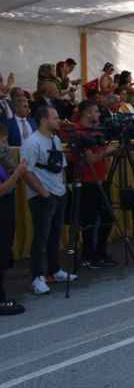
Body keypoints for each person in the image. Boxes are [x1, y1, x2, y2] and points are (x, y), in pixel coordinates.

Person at [22, 106, 76, 295]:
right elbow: (26, 172)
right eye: (55, 117)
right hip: (42, 196)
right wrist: (43, 193)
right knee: (41, 237)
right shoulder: (31, 142)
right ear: (44, 120)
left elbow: (61, 167)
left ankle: (55, 270)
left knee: (55, 235)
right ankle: (37, 277)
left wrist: (63, 188)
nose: (59, 120)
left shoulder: (55, 139)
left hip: (59, 193)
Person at [72, 100, 118, 268]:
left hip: (101, 179)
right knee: (89, 221)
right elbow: (90, 159)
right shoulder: (79, 132)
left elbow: (101, 153)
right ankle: (89, 256)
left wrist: (108, 152)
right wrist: (108, 151)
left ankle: (100, 251)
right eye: (96, 111)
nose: (99, 115)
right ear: (88, 113)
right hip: (87, 181)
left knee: (107, 217)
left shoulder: (96, 130)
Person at [0, 124, 27, 314]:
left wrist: (11, 168)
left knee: (4, 252)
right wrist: (18, 173)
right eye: (2, 141)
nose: (5, 144)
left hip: (6, 209)